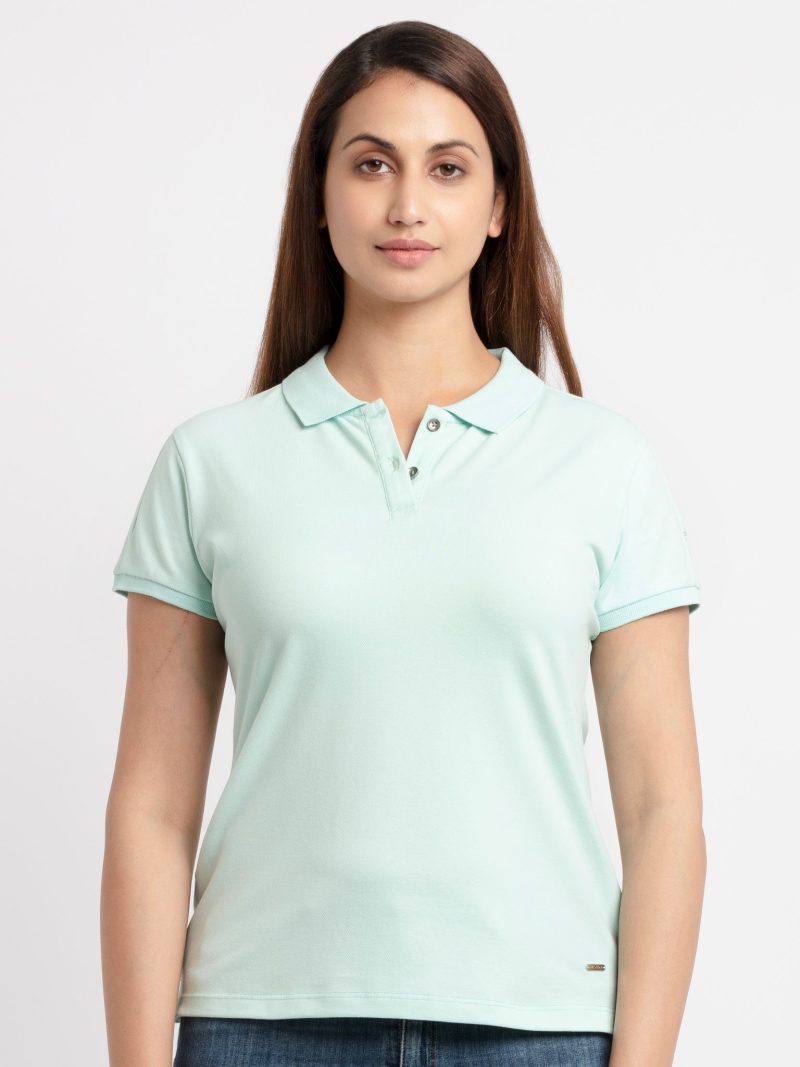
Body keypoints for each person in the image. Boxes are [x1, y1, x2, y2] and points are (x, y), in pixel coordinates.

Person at [101, 19, 706, 1067]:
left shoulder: (603, 463)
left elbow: (662, 810)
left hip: (540, 1027)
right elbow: (151, 808)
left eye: (448, 167)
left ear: (499, 205)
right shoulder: (212, 463)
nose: (407, 205)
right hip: (259, 1021)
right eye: (371, 163)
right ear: (319, 193)